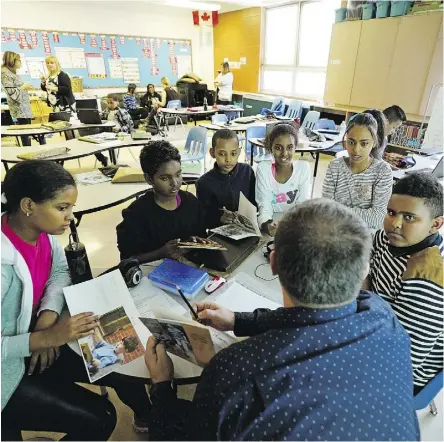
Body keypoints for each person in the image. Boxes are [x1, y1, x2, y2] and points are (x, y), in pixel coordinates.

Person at [144, 198, 420, 441]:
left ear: (273, 263)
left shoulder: (233, 372)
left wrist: (162, 388)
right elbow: (308, 319)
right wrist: (240, 321)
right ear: (364, 271)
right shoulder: (383, 317)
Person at [1, 160, 153, 439]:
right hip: (6, 372)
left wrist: (46, 322)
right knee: (100, 418)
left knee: (120, 361)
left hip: (36, 338)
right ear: (28, 205)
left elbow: (59, 271)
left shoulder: (40, 235)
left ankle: (150, 415)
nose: (71, 216)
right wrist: (46, 339)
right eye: (62, 208)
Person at [366, 172, 443, 394]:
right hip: (378, 327)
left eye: (409, 217)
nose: (395, 224)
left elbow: (401, 360)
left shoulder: (429, 277)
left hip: (403, 374)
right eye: (391, 213)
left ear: (435, 225)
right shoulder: (386, 237)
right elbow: (363, 269)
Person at [116, 140, 208, 262]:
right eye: (165, 178)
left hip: (191, 271)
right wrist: (161, 253)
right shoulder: (136, 214)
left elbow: (201, 234)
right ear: (149, 179)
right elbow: (128, 259)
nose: (174, 183)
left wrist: (194, 242)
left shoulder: (191, 202)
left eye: (178, 174)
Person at [322, 113, 393, 231]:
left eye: (364, 143)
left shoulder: (382, 171)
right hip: (335, 232)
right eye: (351, 142)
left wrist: (338, 211)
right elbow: (326, 210)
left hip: (367, 237)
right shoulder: (335, 167)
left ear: (374, 143)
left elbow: (378, 218)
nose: (356, 150)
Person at [256, 123, 311, 236]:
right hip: (272, 224)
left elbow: (302, 207)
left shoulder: (303, 168)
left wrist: (289, 226)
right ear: (270, 148)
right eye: (278, 148)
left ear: (296, 147)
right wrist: (268, 224)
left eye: (290, 147)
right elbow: (264, 206)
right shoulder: (264, 169)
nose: (284, 153)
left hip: (295, 226)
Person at [196, 129, 256, 228]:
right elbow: (203, 218)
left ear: (239, 152)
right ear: (212, 153)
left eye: (233, 154)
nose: (228, 159)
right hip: (221, 234)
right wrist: (219, 217)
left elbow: (255, 202)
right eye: (222, 154)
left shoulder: (247, 171)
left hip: (248, 228)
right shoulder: (203, 183)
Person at [1, 51, 34, 146]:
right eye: (19, 60)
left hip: (23, 106)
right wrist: (24, 87)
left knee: (27, 130)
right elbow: (11, 92)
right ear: (13, 60)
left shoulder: (11, 72)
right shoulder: (5, 73)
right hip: (19, 107)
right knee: (24, 131)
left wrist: (24, 87)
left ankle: (28, 148)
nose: (20, 63)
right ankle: (27, 151)